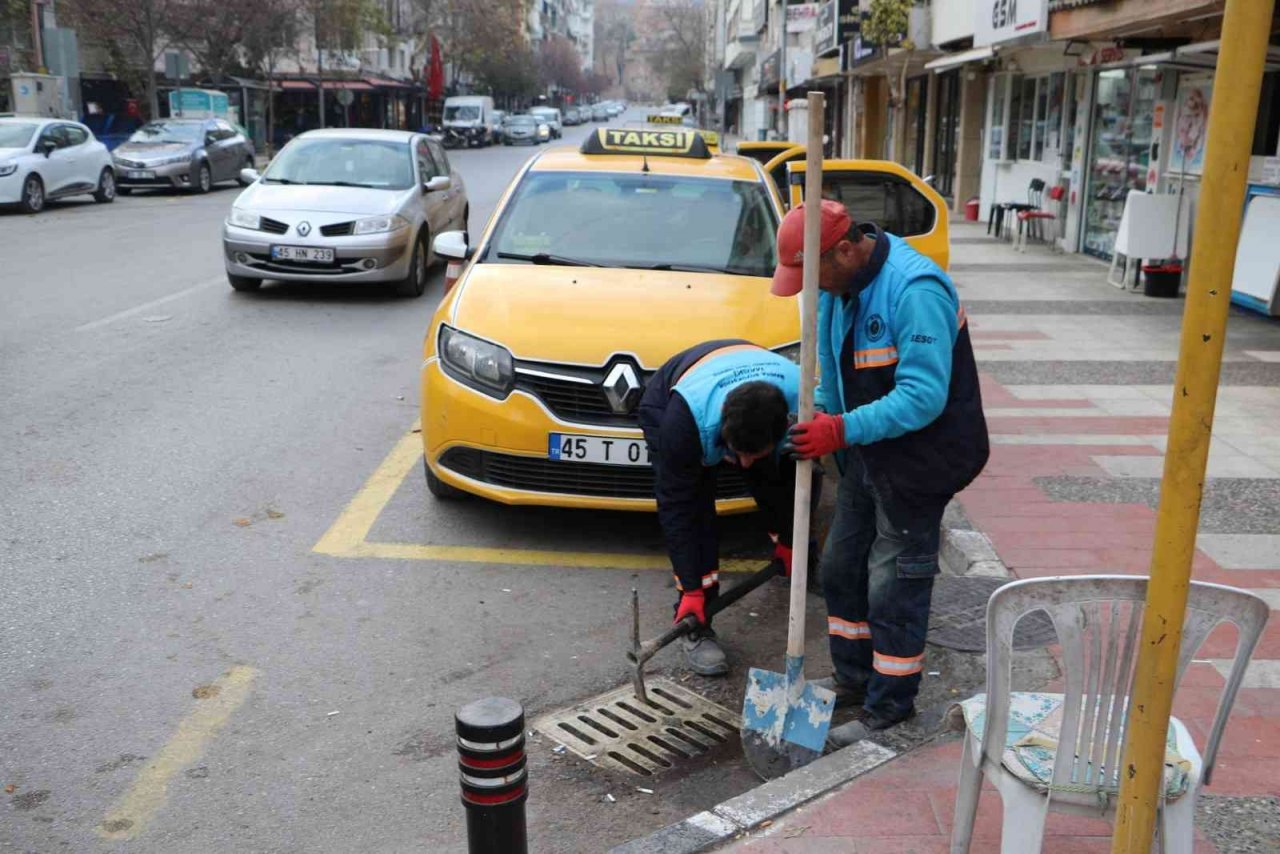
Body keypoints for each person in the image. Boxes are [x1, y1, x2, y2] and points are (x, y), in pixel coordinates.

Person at [771, 199, 989, 746]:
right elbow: (832, 377)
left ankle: (890, 704)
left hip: (924, 460)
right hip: (870, 453)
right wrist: (818, 417)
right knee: (842, 568)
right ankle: (854, 676)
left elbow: (922, 396)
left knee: (894, 585)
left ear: (845, 249)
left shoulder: (915, 290)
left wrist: (839, 430)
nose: (810, 288)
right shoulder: (838, 289)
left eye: (813, 274)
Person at [638, 340, 816, 676]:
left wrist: (795, 539)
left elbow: (806, 478)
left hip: (751, 377)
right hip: (675, 395)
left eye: (754, 453)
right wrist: (692, 587)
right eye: (738, 453)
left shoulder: (803, 399)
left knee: (777, 476)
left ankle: (802, 557)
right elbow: (680, 510)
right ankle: (696, 621)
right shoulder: (682, 424)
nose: (743, 464)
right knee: (699, 510)